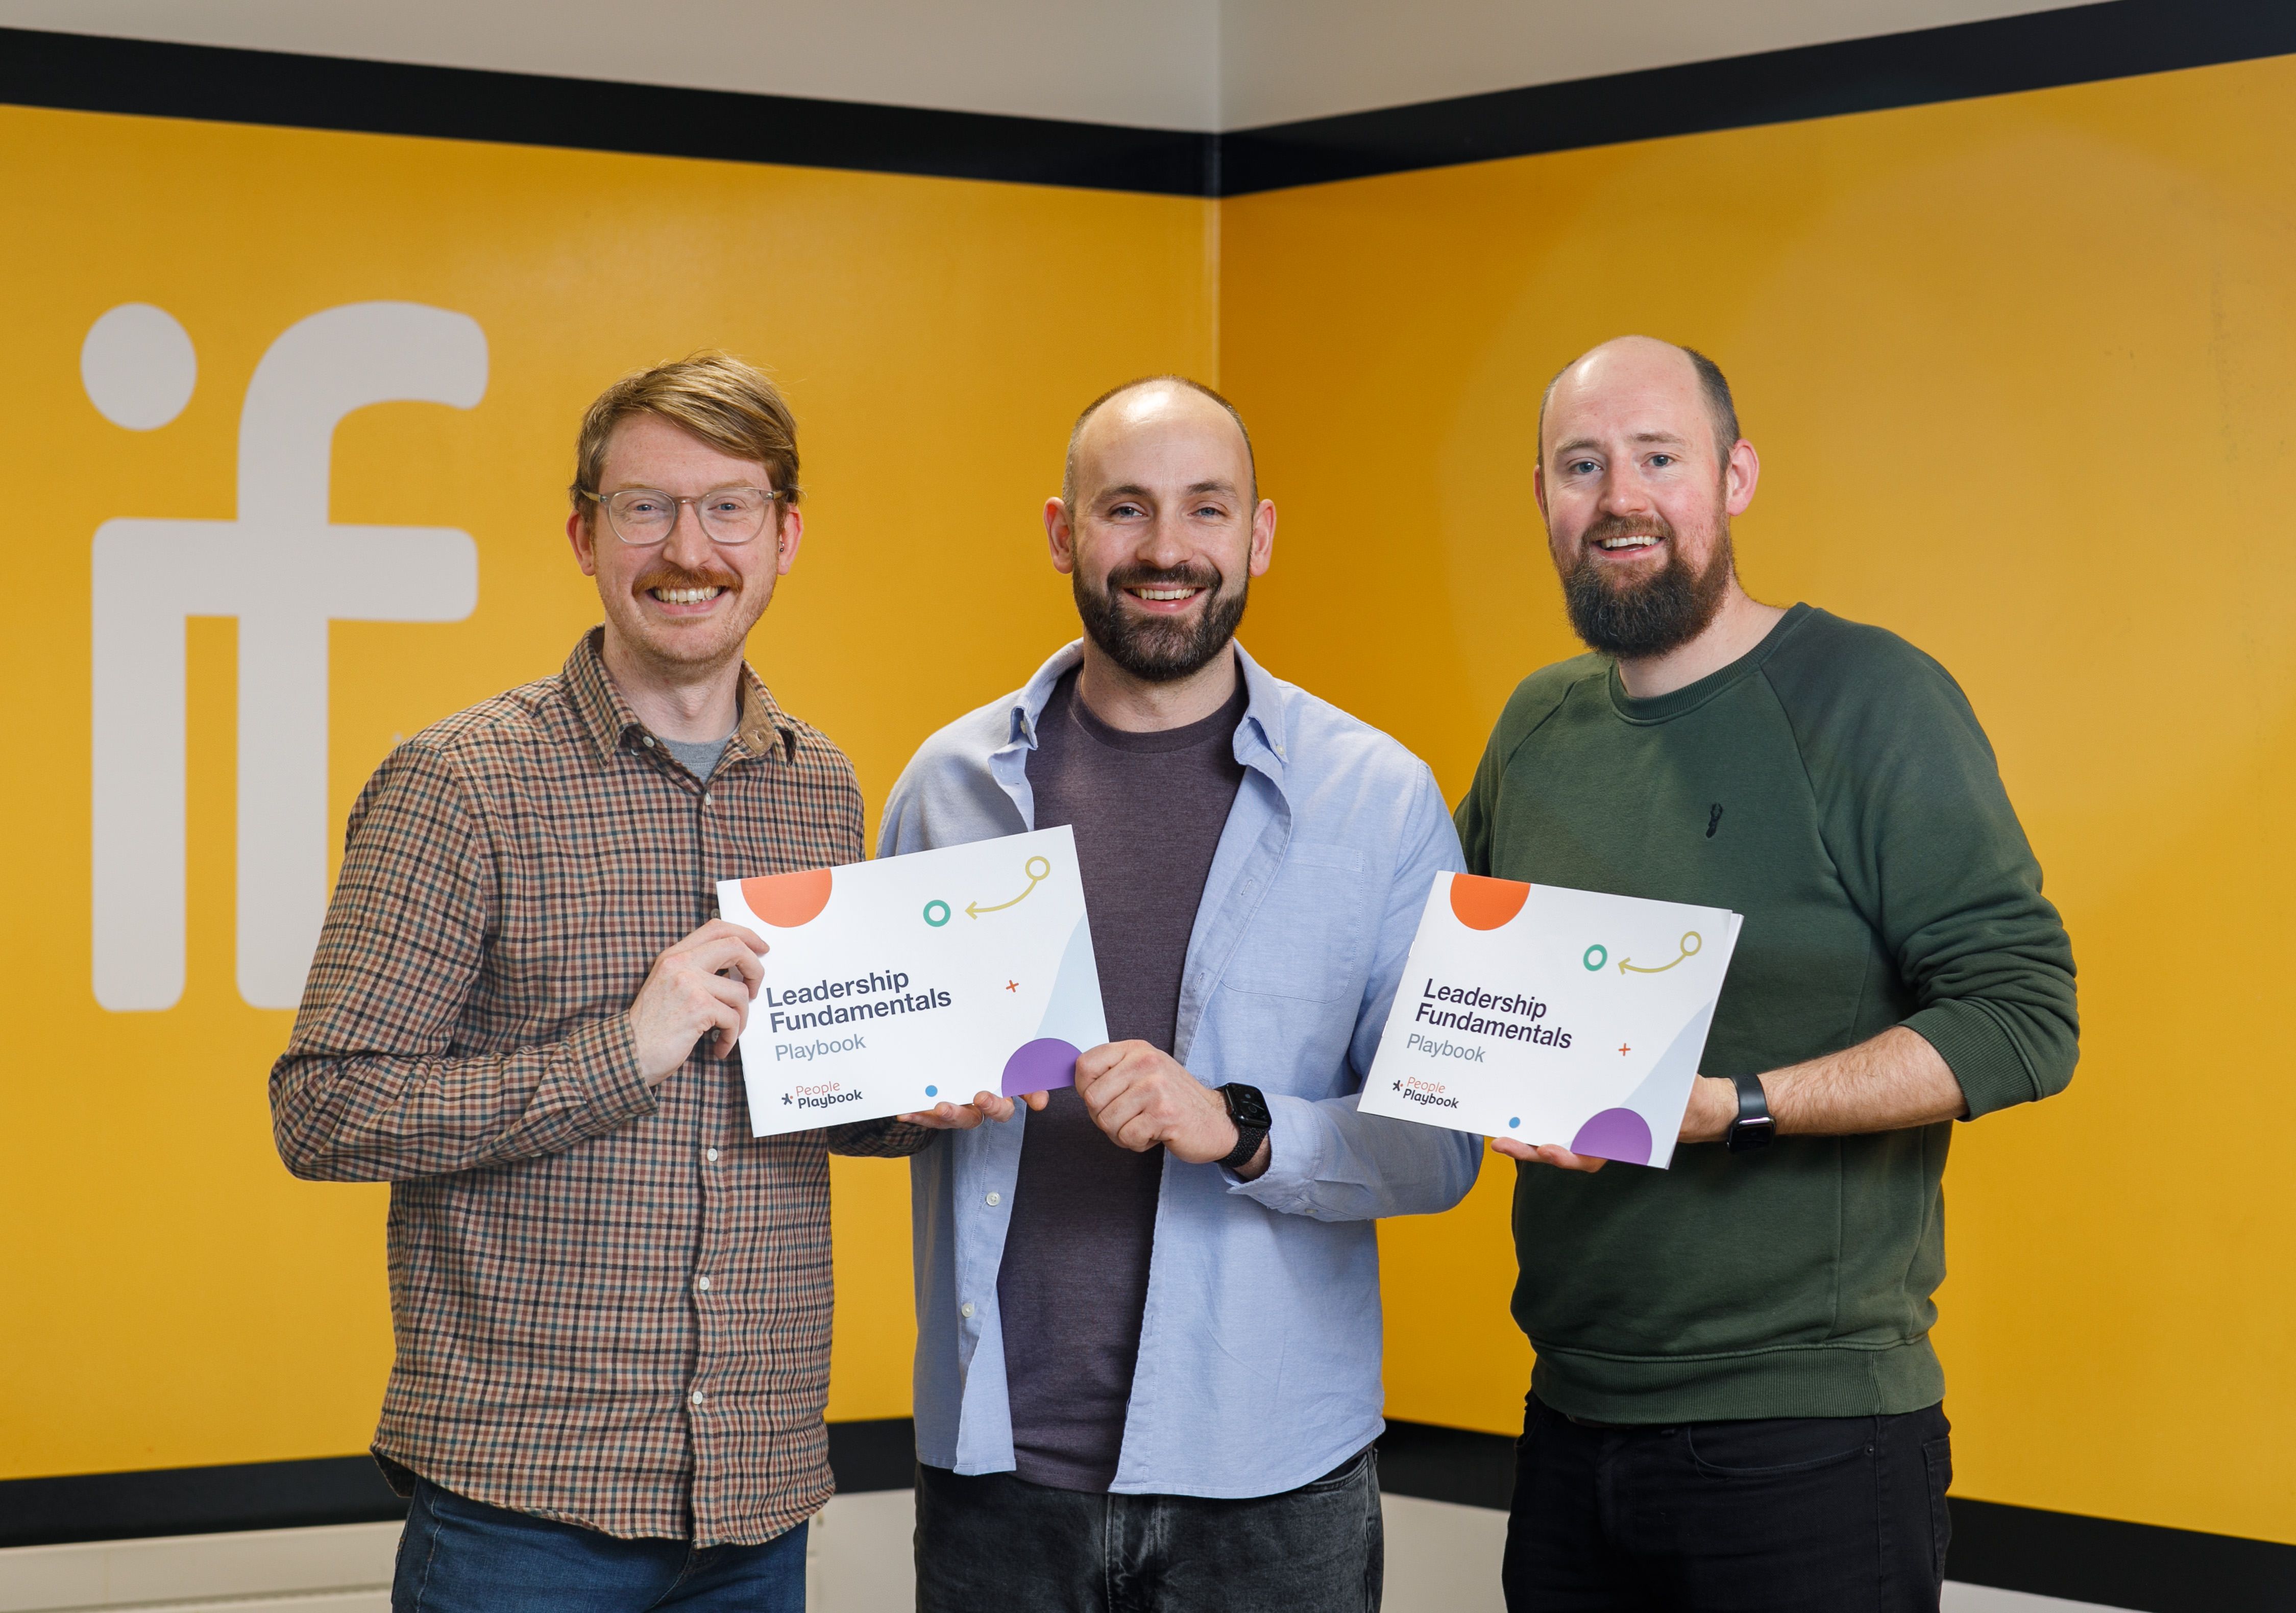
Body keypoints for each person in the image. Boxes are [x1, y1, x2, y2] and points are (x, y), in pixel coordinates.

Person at [270, 353, 916, 1611]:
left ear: (784, 536)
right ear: (583, 533)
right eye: (645, 506)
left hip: (755, 1496)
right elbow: (323, 1110)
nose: (690, 545)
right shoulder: (460, 783)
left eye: (729, 506)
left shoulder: (818, 784)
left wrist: (915, 1096)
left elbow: (803, 1087)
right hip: (527, 1509)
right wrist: (623, 1049)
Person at [1457, 335, 2079, 1611]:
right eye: (1582, 464)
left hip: (1806, 1437)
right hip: (1569, 1416)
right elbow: (1455, 984)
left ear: (1733, 477)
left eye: (1657, 457)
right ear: (1542, 498)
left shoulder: (1869, 699)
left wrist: (1733, 1104)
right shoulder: (1536, 726)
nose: (1618, 496)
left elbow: (2023, 1017)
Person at [878, 376, 1482, 1612]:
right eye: (1125, 510)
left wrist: (1245, 1127)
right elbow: (872, 1091)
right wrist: (899, 1099)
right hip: (999, 1474)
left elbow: (1447, 1145)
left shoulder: (1376, 798)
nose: (1165, 549)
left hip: (1275, 1483)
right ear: (1062, 532)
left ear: (1256, 535)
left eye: (1206, 509)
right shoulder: (945, 785)